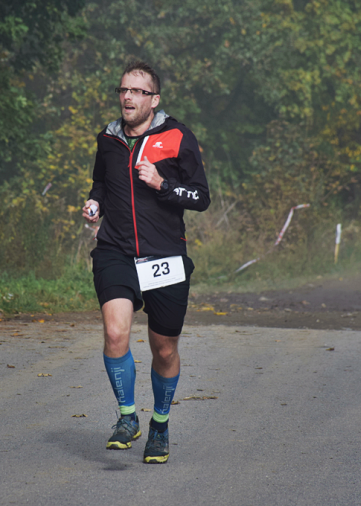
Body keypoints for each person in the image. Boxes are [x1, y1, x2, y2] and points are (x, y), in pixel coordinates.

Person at [82, 61, 210, 464]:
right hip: (115, 250)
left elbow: (201, 198)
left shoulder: (177, 137)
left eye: (137, 91)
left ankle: (159, 424)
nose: (128, 97)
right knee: (115, 333)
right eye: (123, 90)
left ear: (154, 100)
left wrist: (161, 183)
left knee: (164, 349)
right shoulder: (108, 137)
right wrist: (94, 203)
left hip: (165, 256)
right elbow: (100, 182)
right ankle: (126, 418)